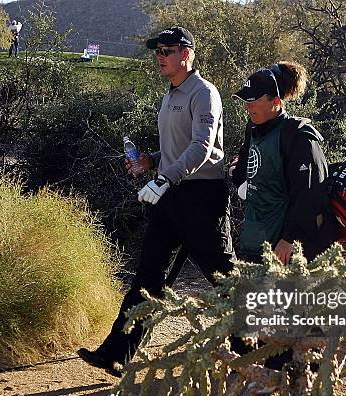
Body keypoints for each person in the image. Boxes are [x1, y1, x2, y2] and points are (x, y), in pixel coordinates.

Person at [78, 27, 235, 377]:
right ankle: (116, 353)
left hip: (201, 198)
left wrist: (165, 176)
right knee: (149, 275)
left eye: (167, 50)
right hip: (172, 193)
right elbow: (178, 149)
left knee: (224, 278)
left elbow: (203, 147)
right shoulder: (171, 93)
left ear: (187, 54)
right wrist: (151, 160)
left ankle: (259, 354)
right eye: (158, 50)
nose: (160, 56)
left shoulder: (203, 92)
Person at [230, 62, 338, 264]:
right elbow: (243, 172)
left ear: (277, 102)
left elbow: (309, 193)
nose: (247, 107)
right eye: (246, 101)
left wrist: (289, 238)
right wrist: (236, 173)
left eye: (254, 101)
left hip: (289, 248)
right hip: (258, 240)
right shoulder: (253, 128)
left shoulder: (298, 136)